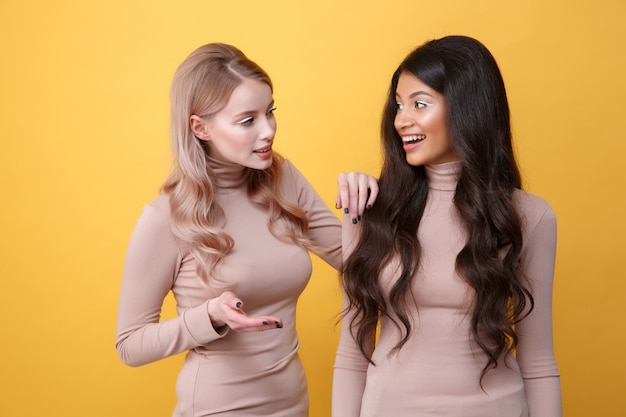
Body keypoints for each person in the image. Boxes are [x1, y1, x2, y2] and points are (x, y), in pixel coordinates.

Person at [115, 43, 377, 416]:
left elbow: (357, 261)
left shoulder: (283, 179)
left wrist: (360, 202)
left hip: (293, 404)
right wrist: (209, 317)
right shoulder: (164, 219)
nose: (268, 130)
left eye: (270, 112)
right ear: (199, 127)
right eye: (247, 120)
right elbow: (130, 344)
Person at [333, 35, 561, 417]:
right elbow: (352, 354)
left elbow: (539, 364)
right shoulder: (368, 207)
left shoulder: (529, 216)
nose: (401, 120)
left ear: (468, 108)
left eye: (419, 104)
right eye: (399, 105)